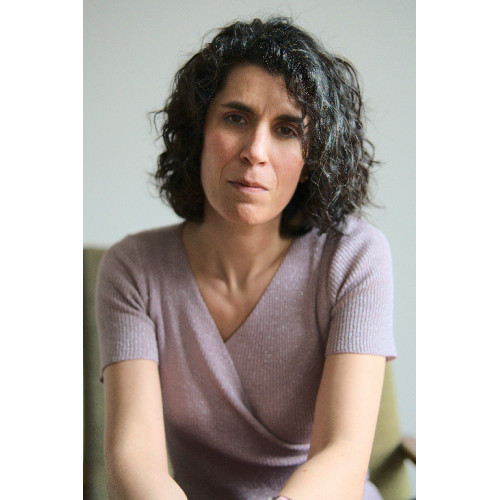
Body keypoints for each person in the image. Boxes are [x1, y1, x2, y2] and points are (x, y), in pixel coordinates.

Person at [96, 16, 397, 500]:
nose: (255, 151)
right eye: (236, 118)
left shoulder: (354, 256)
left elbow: (342, 454)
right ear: (199, 131)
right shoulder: (134, 270)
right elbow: (135, 461)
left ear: (312, 158)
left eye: (286, 129)